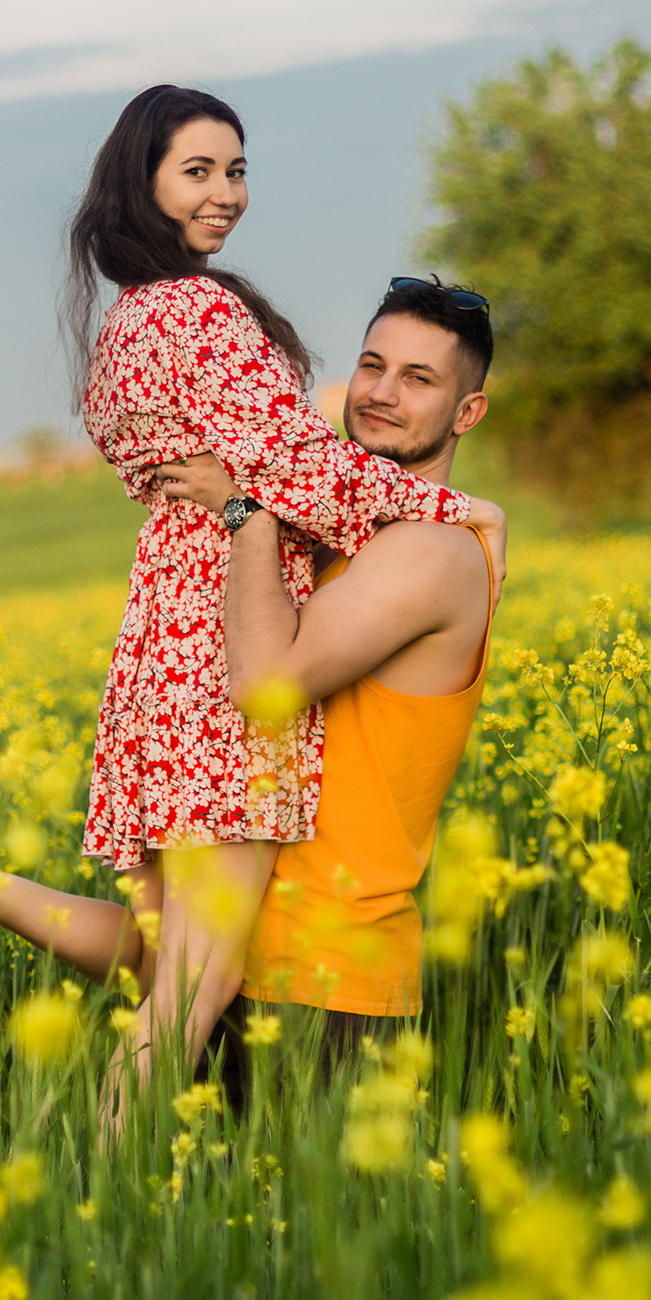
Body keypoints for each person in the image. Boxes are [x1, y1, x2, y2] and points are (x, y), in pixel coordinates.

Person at [60, 87, 504, 1084]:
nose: (225, 194)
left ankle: (113, 1194)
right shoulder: (204, 314)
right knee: (185, 994)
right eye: (197, 171)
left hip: (162, 633)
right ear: (142, 183)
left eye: (236, 170)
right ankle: (108, 1196)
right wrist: (461, 508)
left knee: (167, 965)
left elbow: (246, 462)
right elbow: (296, 468)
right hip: (223, 627)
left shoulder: (127, 323)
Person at [156, 274, 494, 1061]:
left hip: (327, 985)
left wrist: (244, 507)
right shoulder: (346, 532)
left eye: (419, 379)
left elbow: (265, 688)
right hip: (243, 949)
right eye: (373, 365)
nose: (381, 393)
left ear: (467, 413)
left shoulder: (427, 553)